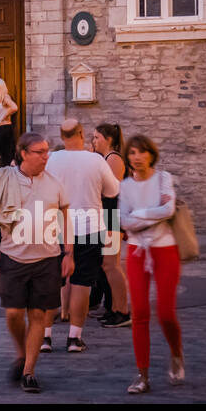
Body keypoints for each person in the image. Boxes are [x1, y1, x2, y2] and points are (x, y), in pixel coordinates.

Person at [0, 131, 72, 394]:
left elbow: (66, 218)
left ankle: (29, 371)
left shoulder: (55, 183)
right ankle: (22, 353)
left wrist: (69, 254)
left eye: (47, 151)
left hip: (47, 259)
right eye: (40, 152)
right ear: (24, 153)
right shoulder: (6, 181)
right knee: (13, 314)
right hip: (13, 257)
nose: (46, 156)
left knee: (37, 315)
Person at [119, 134, 186, 394]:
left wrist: (139, 214)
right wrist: (150, 214)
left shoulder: (163, 179)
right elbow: (124, 222)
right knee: (139, 313)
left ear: (151, 154)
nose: (137, 157)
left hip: (165, 250)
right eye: (132, 153)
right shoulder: (125, 186)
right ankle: (142, 375)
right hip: (136, 252)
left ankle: (176, 353)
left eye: (142, 152)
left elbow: (168, 211)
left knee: (166, 312)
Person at [44, 120, 118, 352]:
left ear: (61, 135)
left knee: (51, 283)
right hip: (89, 227)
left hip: (56, 228)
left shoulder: (51, 160)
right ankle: (74, 338)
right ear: (81, 133)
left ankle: (45, 337)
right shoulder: (95, 160)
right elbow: (112, 191)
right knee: (82, 283)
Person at [93, 122, 131, 328]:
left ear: (108, 139)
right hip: (106, 216)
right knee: (107, 265)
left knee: (112, 266)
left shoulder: (113, 158)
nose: (94, 141)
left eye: (97, 137)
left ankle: (122, 311)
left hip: (111, 216)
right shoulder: (106, 159)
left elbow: (112, 191)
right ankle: (114, 308)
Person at [0, 78, 18, 169]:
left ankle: (8, 175)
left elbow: (14, 107)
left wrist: (4, 115)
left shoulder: (5, 97)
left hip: (5, 128)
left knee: (6, 155)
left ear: (0, 88)